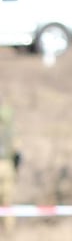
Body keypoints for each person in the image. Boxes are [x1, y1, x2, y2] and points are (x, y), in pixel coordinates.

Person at [0, 95, 20, 231]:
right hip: (8, 166)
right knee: (7, 200)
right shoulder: (11, 132)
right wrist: (15, 168)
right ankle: (9, 228)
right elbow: (17, 153)